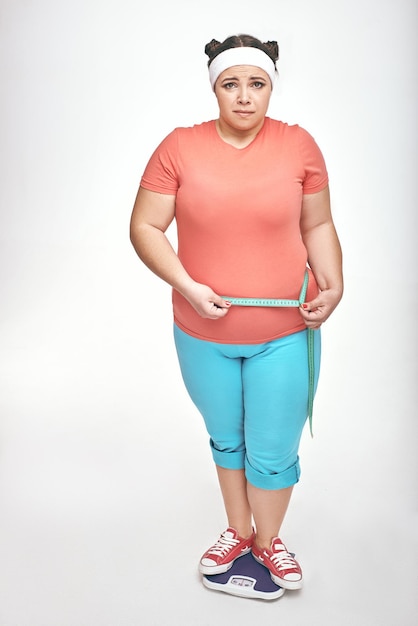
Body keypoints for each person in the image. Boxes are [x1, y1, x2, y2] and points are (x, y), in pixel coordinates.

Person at [129, 33, 343, 590]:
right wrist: (188, 286)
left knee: (272, 449)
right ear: (214, 89)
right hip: (201, 332)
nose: (244, 96)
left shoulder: (299, 147)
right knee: (227, 438)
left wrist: (334, 283)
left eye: (257, 84)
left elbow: (316, 224)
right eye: (231, 84)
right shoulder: (178, 147)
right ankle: (238, 529)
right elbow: (145, 227)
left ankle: (269, 543)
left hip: (285, 331)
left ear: (271, 87)